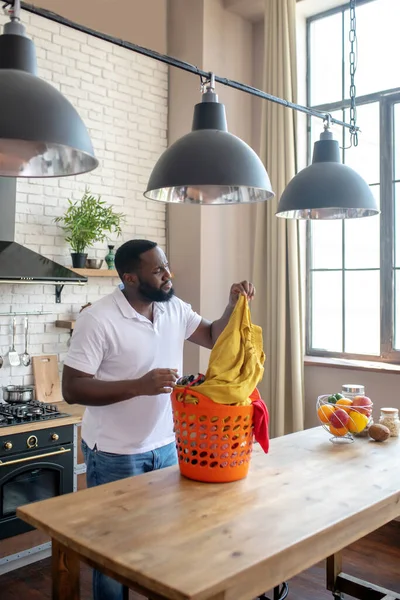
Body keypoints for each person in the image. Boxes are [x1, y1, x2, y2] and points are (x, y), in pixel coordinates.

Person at [62, 238, 255, 600]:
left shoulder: (174, 309)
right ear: (130, 278)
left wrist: (231, 306)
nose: (168, 275)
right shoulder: (98, 319)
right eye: (157, 270)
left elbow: (214, 336)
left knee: (164, 544)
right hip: (115, 454)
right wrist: (139, 385)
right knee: (115, 553)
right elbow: (73, 389)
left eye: (166, 265)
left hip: (168, 446)